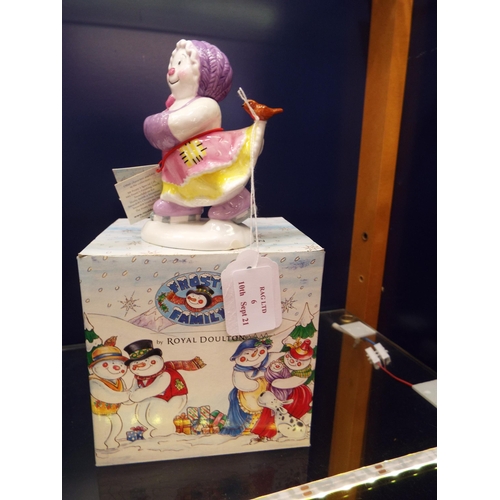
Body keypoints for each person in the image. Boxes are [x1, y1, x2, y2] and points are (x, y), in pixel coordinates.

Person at [143, 39, 282, 223]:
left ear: (202, 73)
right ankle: (182, 204)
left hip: (201, 155)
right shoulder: (174, 104)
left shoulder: (206, 104)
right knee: (186, 181)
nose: (172, 70)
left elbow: (173, 128)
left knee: (213, 178)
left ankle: (235, 200)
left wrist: (153, 124)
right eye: (173, 63)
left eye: (180, 63)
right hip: (180, 162)